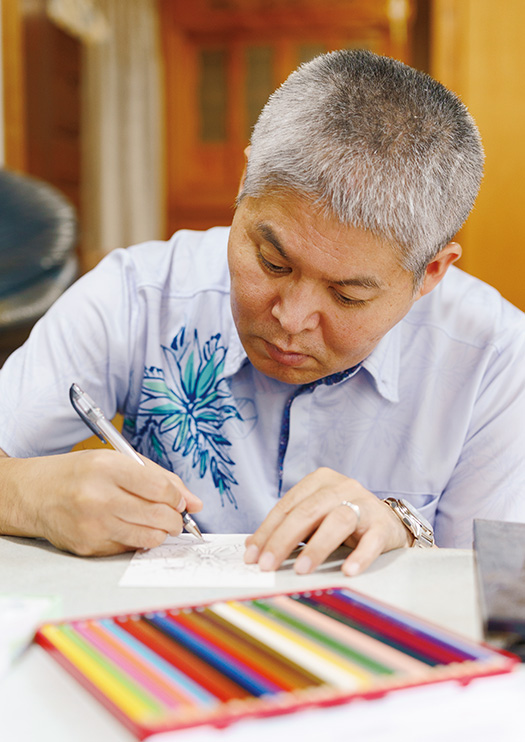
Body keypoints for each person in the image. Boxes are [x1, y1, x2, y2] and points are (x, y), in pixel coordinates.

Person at [1, 49, 524, 577]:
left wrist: (405, 533)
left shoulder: (494, 357)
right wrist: (31, 495)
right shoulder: (139, 294)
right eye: (273, 262)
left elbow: (506, 588)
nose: (292, 318)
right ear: (245, 182)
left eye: (348, 296)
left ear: (431, 273)